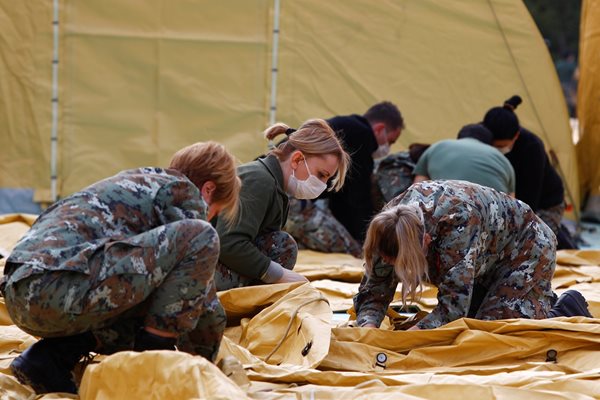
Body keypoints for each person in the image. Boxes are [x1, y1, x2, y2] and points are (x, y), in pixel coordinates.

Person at [0, 142, 241, 394]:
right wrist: (204, 367)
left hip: (24, 294)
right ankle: (152, 368)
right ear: (208, 190)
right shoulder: (183, 191)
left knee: (152, 303)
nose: (209, 218)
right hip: (57, 285)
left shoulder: (141, 184)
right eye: (214, 212)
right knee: (202, 238)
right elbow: (203, 300)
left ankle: (49, 360)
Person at [354, 180, 592, 330]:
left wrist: (411, 337)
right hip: (485, 253)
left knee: (495, 333)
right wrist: (368, 326)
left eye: (399, 263)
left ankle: (562, 308)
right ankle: (525, 301)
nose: (388, 265)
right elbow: (374, 291)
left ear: (425, 242)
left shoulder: (457, 224)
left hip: (525, 248)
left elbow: (452, 309)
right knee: (472, 321)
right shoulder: (388, 228)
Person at [214, 119, 350, 290]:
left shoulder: (275, 187)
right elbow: (229, 242)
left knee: (282, 245)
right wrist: (276, 274)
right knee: (283, 245)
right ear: (297, 159)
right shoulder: (260, 181)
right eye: (321, 175)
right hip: (198, 269)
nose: (322, 185)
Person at [483, 96, 572, 248]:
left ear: (516, 136)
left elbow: (529, 203)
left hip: (544, 202)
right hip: (505, 199)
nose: (497, 150)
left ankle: (561, 238)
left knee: (534, 244)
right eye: (493, 145)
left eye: (501, 145)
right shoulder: (480, 135)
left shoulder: (532, 147)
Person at [326, 101, 404, 243]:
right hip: (296, 201)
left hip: (288, 192)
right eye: (391, 141)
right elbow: (359, 195)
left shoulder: (346, 127)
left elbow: (343, 193)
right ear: (379, 129)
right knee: (349, 248)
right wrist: (368, 239)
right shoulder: (362, 135)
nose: (388, 148)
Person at [413, 124, 516, 195]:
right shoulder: (504, 161)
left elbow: (417, 190)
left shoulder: (438, 146)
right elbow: (512, 205)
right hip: (488, 219)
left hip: (444, 212)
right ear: (488, 144)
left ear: (459, 138)